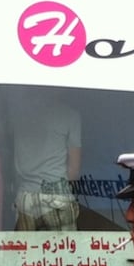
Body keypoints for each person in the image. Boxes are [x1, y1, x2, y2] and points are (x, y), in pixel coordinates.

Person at [11, 96, 82, 231]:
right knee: (64, 250)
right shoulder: (70, 115)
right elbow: (74, 171)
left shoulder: (20, 115)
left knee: (26, 251)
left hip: (25, 196)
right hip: (57, 195)